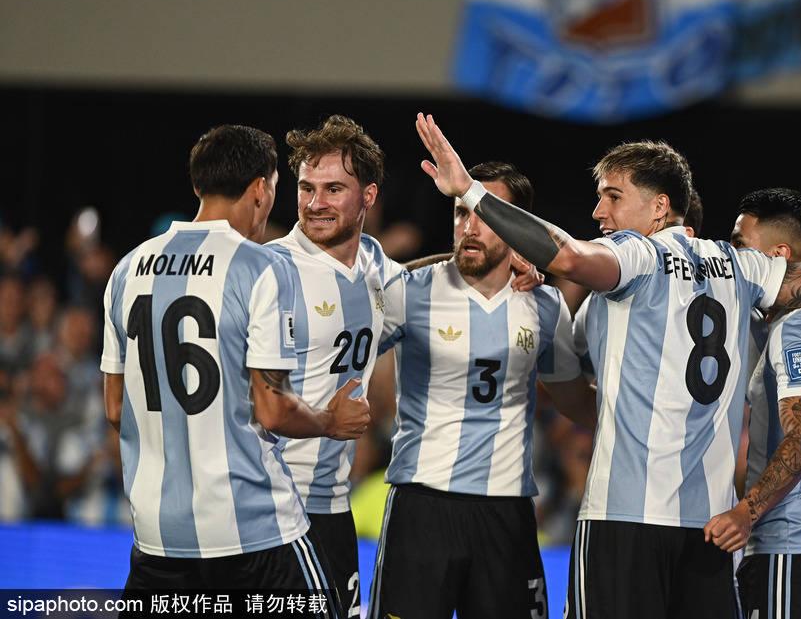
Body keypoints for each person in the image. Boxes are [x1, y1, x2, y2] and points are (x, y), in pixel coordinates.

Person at [414, 113, 801, 619]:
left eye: (613, 196)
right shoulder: (740, 267)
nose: (599, 211)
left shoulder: (636, 255)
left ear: (660, 207)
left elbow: (571, 260)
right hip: (710, 527)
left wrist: (471, 192)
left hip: (622, 517)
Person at [100, 124, 369, 598]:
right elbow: (274, 410)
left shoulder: (127, 269)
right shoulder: (261, 267)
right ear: (261, 189)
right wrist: (330, 421)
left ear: (197, 185)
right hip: (252, 530)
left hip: (159, 536)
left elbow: (116, 408)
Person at [367, 162, 595, 619]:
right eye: (461, 212)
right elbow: (350, 323)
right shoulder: (413, 291)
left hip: (506, 514)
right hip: (422, 507)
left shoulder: (545, 305)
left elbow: (575, 402)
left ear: (518, 225)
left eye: (485, 214)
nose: (469, 227)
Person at [266, 114, 405, 616]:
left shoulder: (376, 265)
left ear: (369, 196)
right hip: (270, 508)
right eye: (306, 188)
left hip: (333, 507)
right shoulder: (270, 270)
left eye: (333, 189)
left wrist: (509, 272)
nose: (315, 203)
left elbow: (423, 282)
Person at [703, 188, 801, 619]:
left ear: (778, 255)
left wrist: (745, 513)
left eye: (739, 242)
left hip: (792, 546)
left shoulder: (798, 330)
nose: (731, 254)